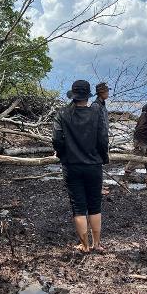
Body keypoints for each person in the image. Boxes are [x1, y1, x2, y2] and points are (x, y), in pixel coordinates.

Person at [52, 80, 109, 253]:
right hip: (94, 165)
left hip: (71, 166)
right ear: (88, 96)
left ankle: (84, 246)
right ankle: (97, 244)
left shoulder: (62, 114)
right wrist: (101, 157)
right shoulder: (96, 113)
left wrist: (61, 153)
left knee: (78, 207)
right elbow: (103, 139)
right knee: (95, 205)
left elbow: (56, 140)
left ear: (73, 95)